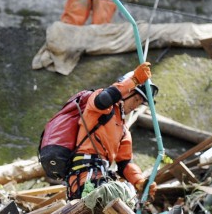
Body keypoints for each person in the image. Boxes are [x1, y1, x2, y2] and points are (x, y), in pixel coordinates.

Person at [66, 62, 158, 201]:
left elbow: (125, 164)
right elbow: (104, 98)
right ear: (126, 92)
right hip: (85, 175)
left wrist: (139, 181)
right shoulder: (101, 107)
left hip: (101, 176)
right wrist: (133, 81)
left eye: (140, 103)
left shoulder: (123, 130)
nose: (135, 106)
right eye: (136, 99)